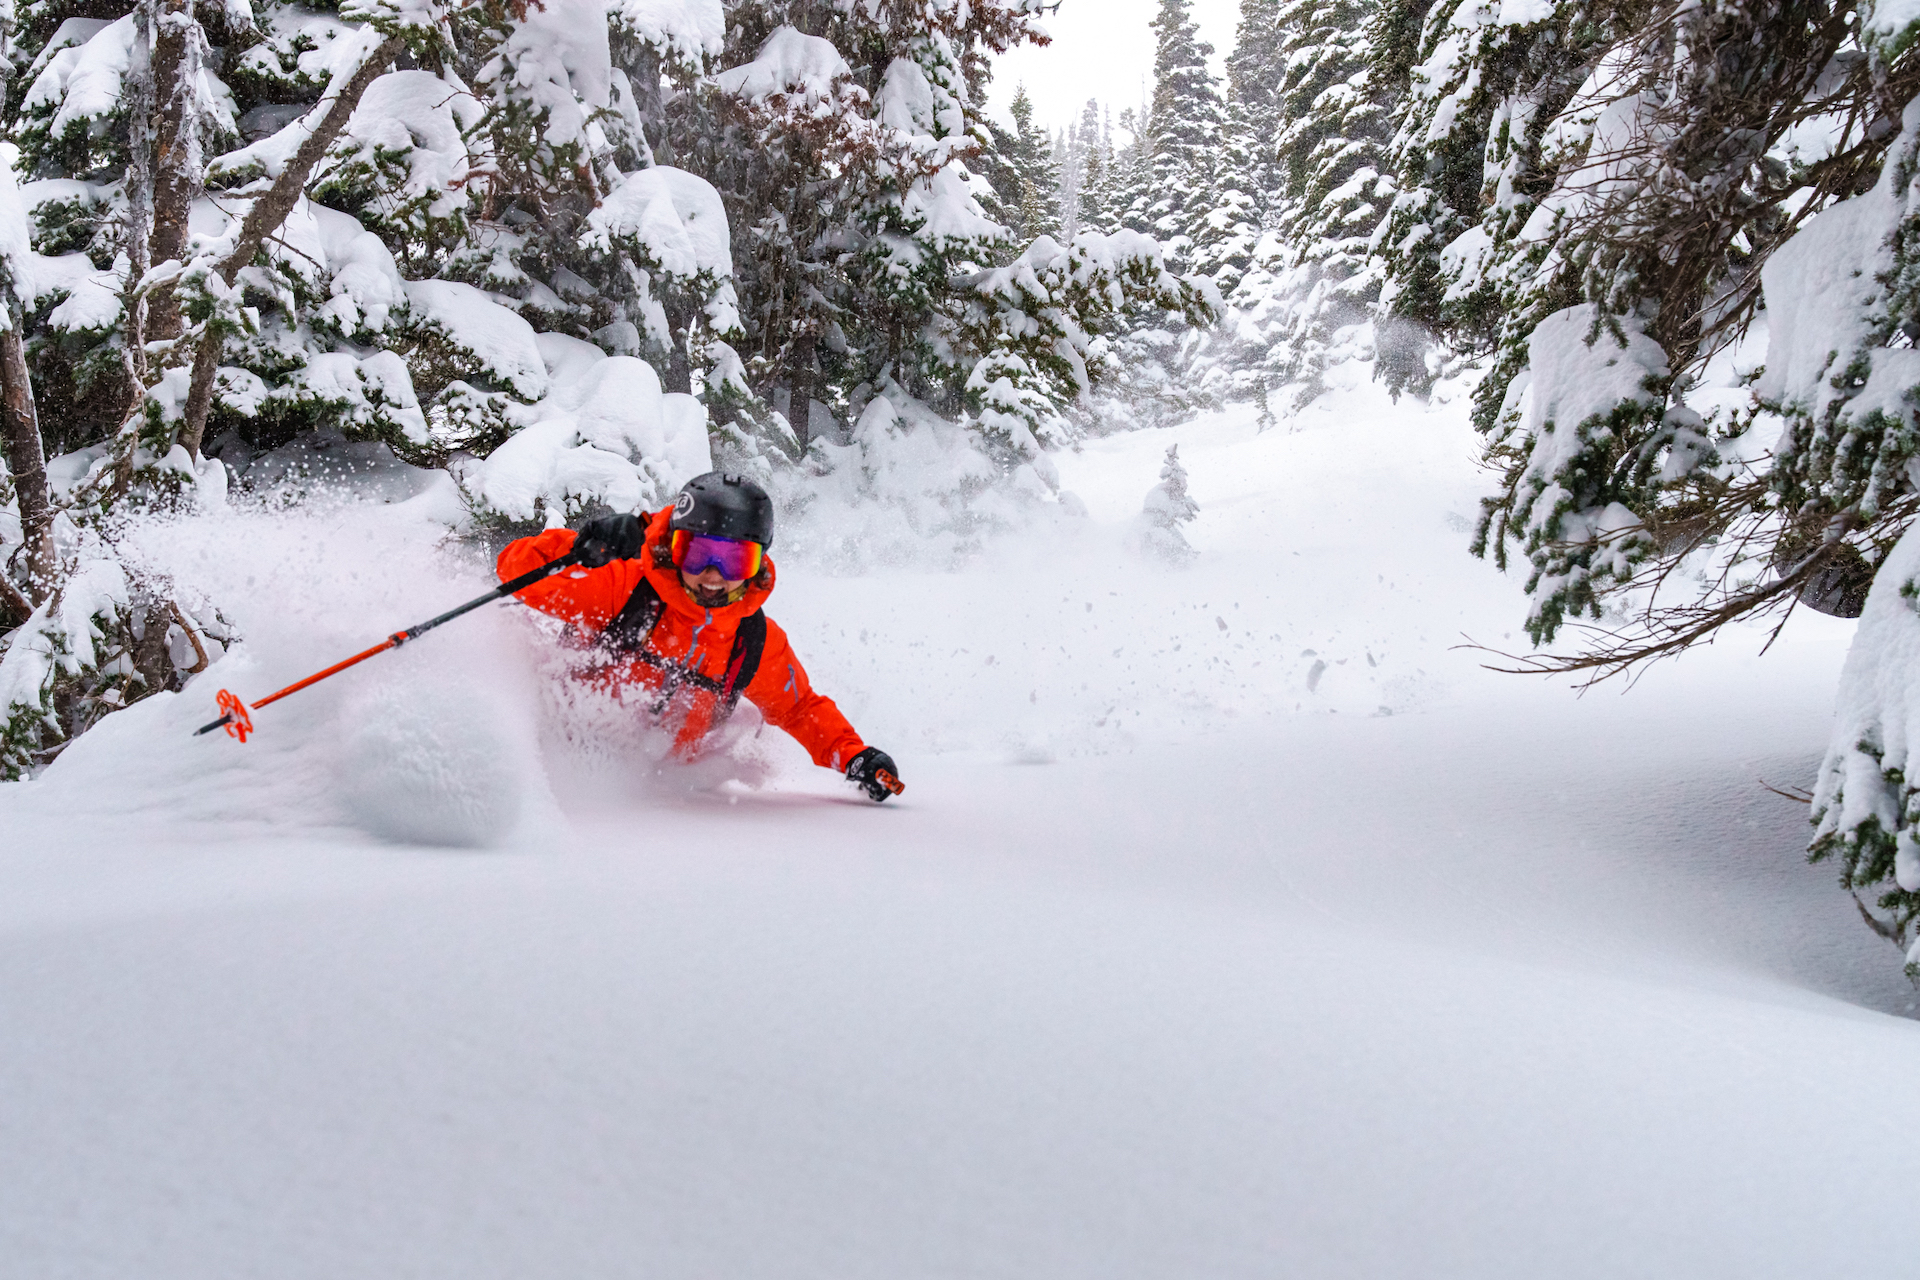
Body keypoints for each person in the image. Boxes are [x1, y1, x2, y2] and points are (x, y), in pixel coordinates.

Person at [495, 472, 903, 801]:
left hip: (670, 807)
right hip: (566, 777)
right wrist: (584, 543)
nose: (713, 575)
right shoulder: (624, 589)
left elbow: (799, 709)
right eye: (698, 553)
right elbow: (515, 573)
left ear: (759, 563)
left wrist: (855, 756)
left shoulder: (750, 641)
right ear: (674, 548)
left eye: (735, 560)